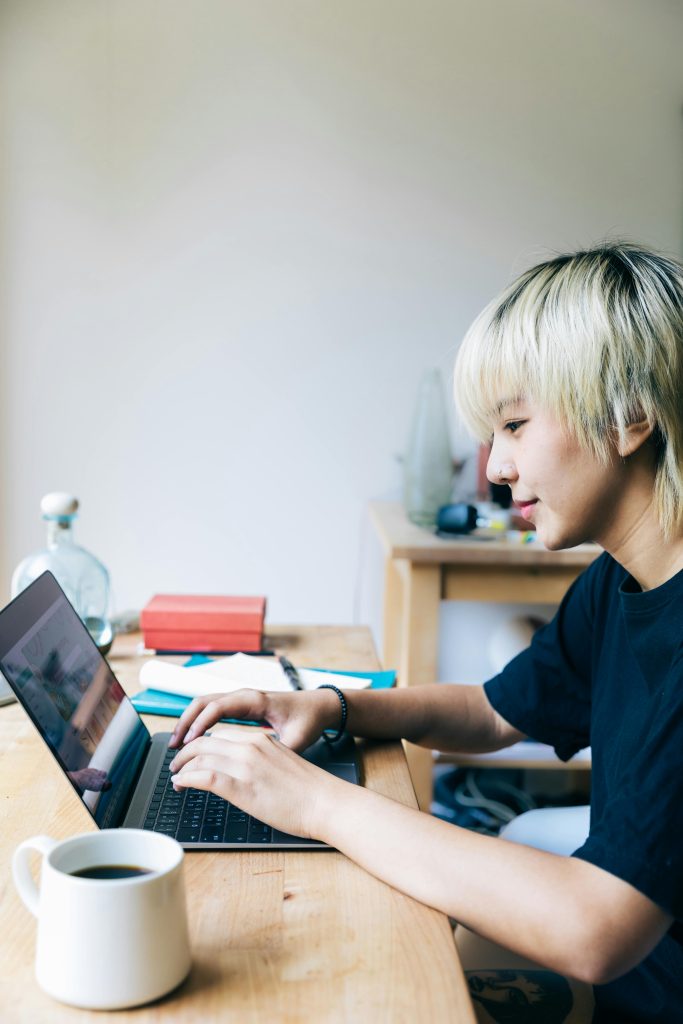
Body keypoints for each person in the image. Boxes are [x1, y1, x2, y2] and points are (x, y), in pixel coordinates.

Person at [168, 243, 683, 1024]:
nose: (496, 469)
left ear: (630, 418)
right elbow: (495, 711)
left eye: (514, 425)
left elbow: (594, 929)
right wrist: (336, 707)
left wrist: (317, 805)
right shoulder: (620, 580)